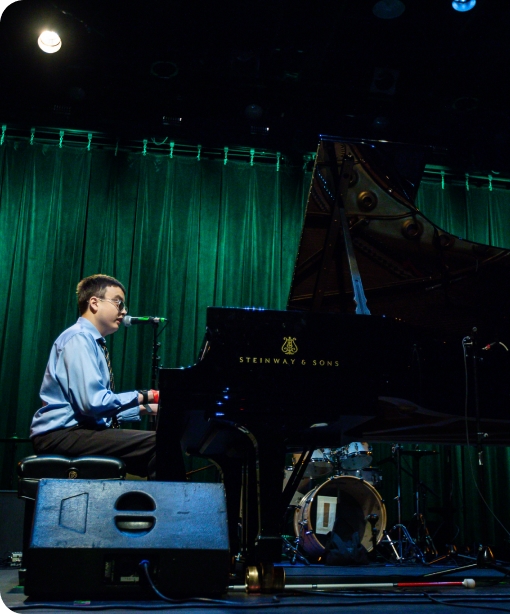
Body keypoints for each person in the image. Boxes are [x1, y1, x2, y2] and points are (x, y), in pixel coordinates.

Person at [30, 274, 158, 479]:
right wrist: (147, 395)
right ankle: (174, 509)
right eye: (118, 302)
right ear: (94, 303)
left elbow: (94, 412)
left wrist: (147, 409)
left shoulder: (91, 341)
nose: (124, 311)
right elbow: (92, 404)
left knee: (158, 447)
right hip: (61, 435)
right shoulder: (79, 338)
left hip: (77, 431)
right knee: (158, 444)